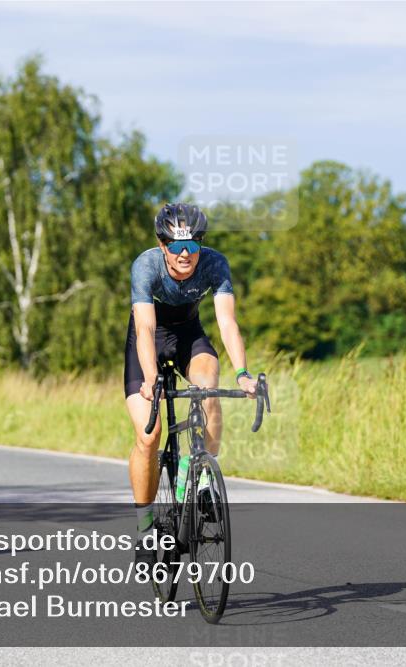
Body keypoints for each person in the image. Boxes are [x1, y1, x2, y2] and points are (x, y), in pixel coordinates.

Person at [125, 203, 257, 562]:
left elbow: (227, 322)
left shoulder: (215, 263)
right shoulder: (146, 265)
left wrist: (243, 372)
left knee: (208, 386)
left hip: (188, 335)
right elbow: (145, 328)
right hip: (149, 338)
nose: (185, 254)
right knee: (148, 436)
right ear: (162, 244)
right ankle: (145, 527)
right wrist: (151, 380)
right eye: (176, 245)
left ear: (201, 243)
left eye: (193, 245)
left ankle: (197, 482)